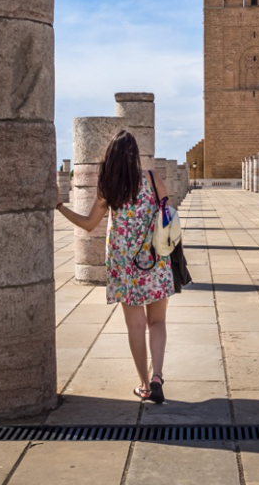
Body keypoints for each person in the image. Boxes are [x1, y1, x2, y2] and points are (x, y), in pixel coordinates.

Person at [56, 130, 174, 403]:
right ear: (135, 156)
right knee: (157, 322)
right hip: (156, 260)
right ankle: (157, 377)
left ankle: (144, 385)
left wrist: (60, 206)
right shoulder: (153, 180)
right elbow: (168, 215)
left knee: (136, 326)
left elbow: (88, 224)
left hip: (124, 267)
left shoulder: (109, 187)